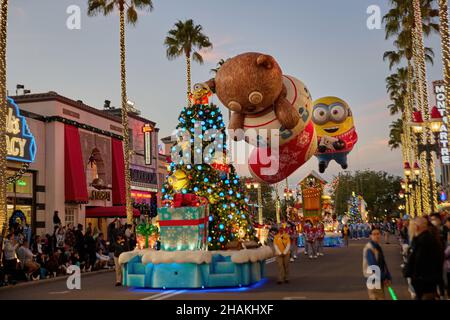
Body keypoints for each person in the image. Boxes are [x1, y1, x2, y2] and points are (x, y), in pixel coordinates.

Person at [404, 217, 445, 300]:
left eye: (412, 225)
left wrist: (412, 273)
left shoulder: (423, 241)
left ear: (417, 227)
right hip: (426, 280)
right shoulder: (426, 239)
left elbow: (419, 262)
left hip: (424, 282)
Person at [363, 227, 392, 300]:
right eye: (374, 234)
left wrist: (388, 275)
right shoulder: (369, 248)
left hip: (379, 278)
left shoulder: (377, 246)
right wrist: (384, 277)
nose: (376, 236)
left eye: (378, 234)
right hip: (373, 279)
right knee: (378, 297)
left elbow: (383, 262)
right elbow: (373, 266)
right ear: (370, 236)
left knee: (379, 297)